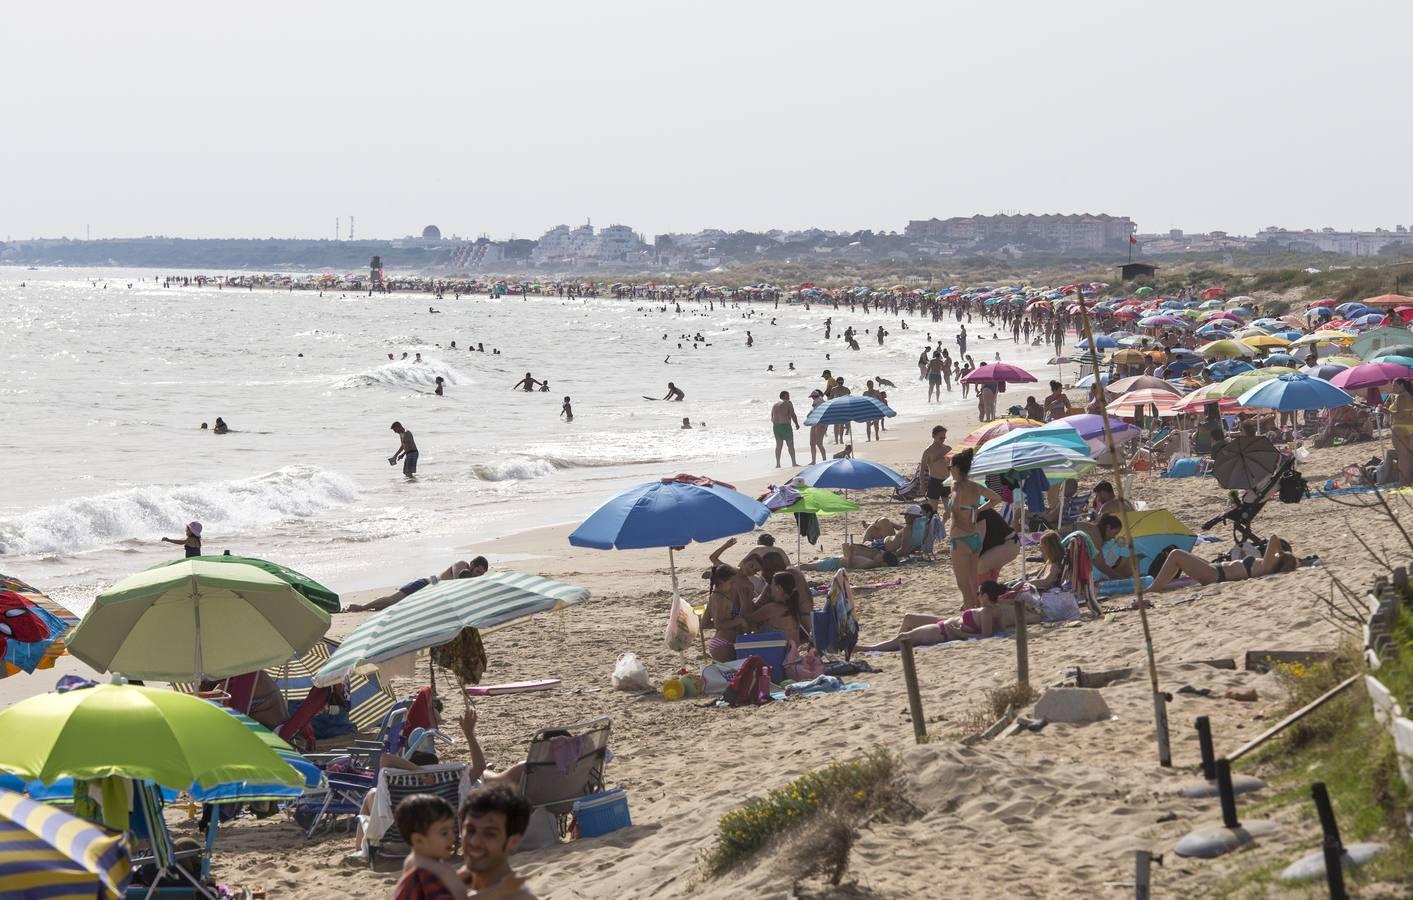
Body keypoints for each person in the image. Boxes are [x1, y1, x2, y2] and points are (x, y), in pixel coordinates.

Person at [859, 581, 1009, 651]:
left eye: (978, 594)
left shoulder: (987, 611)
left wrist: (959, 633)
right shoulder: (994, 610)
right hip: (944, 625)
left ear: (985, 596)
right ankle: (893, 647)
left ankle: (866, 648)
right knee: (908, 618)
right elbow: (999, 631)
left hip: (943, 632)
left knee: (903, 637)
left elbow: (986, 635)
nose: (976, 597)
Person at [947, 448, 1003, 610]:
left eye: (950, 468)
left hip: (960, 538)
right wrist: (978, 510)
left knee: (963, 584)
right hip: (975, 537)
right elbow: (996, 498)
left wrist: (958, 514)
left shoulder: (955, 485)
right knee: (973, 582)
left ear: (956, 468)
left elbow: (956, 504)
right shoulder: (975, 486)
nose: (950, 471)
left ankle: (972, 615)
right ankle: (979, 612)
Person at [1147, 534, 1298, 592]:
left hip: (1215, 575)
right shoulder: (1268, 565)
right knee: (1180, 554)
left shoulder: (1267, 566)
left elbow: (1273, 538)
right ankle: (1160, 584)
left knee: (1176, 554)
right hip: (1215, 570)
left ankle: (1153, 588)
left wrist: (1283, 552)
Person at [457, 786, 536, 899]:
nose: (474, 842)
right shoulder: (457, 883)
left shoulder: (518, 897)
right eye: (470, 830)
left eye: (490, 834)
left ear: (513, 842)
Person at [390, 794, 466, 900]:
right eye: (444, 833)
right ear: (418, 840)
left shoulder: (410, 862)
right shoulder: (444, 872)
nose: (453, 837)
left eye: (451, 830)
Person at [344, 557, 488, 612]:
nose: (477, 575)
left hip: (430, 594)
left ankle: (367, 608)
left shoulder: (470, 579)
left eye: (481, 574)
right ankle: (361, 607)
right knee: (392, 600)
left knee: (393, 608)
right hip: (424, 585)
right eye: (477, 571)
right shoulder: (462, 564)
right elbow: (458, 579)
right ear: (472, 565)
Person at [701, 564, 750, 662]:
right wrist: (738, 621)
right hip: (724, 644)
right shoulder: (721, 599)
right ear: (721, 581)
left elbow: (704, 624)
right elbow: (719, 625)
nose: (733, 586)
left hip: (719, 642)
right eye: (731, 583)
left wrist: (729, 623)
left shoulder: (713, 597)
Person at [919, 426, 952, 502]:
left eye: (944, 438)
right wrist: (922, 486)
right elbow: (922, 470)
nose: (943, 440)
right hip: (935, 481)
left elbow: (954, 465)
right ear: (933, 436)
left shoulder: (948, 449)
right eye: (941, 438)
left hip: (947, 481)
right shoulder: (928, 451)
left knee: (949, 510)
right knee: (933, 510)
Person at [1391, 378, 1413, 485]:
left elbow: (1399, 415)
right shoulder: (1410, 395)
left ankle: (1404, 483)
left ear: (1402, 385)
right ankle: (1408, 481)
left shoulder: (1400, 397)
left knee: (1403, 457)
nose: (1392, 388)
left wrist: (1385, 411)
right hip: (1411, 427)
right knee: (1408, 457)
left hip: (1400, 428)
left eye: (1395, 385)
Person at [770, 391, 800, 467]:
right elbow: (793, 414)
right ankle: (794, 463)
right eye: (787, 395)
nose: (789, 397)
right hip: (785, 426)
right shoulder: (788, 403)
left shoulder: (775, 404)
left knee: (779, 445)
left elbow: (772, 417)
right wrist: (796, 424)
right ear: (783, 396)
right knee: (790, 445)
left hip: (776, 427)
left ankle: (778, 464)